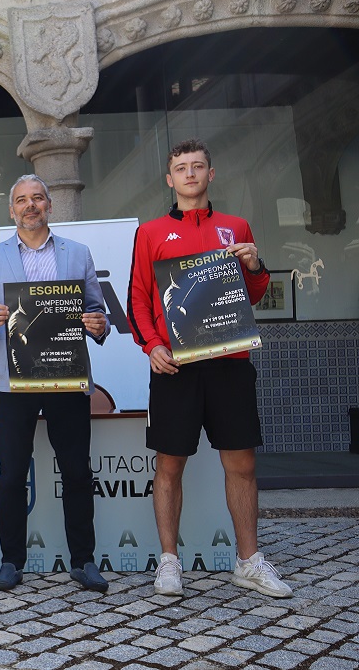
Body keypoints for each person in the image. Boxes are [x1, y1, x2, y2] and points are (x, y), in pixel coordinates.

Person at [127, 138, 292, 599]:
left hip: (230, 364)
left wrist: (256, 266)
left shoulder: (236, 226)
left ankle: (249, 561)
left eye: (198, 166)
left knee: (242, 463)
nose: (190, 174)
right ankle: (169, 562)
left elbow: (253, 295)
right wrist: (152, 346)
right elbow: (138, 298)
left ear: (211, 174)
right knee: (169, 465)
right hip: (176, 368)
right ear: (170, 178)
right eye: (181, 168)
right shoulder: (152, 233)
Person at [0, 174, 110, 593]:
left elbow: (97, 314)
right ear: (11, 211)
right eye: (21, 201)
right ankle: (11, 561)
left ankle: (83, 561)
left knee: (77, 472)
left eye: (37, 199)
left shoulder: (77, 254)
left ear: (49, 205)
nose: (30, 206)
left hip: (66, 376)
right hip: (12, 382)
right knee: (11, 474)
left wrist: (97, 325)